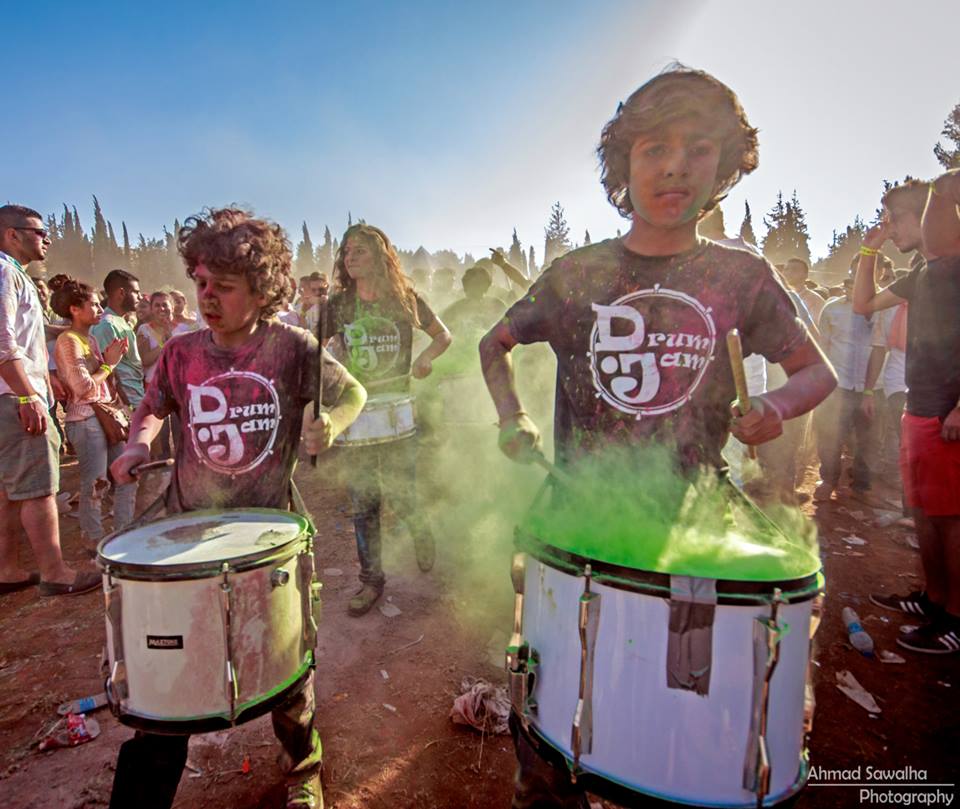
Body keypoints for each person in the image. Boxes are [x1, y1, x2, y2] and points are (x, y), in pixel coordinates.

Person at [480, 66, 836, 807]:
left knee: (679, 729)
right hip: (573, 519)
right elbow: (494, 344)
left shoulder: (740, 275)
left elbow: (817, 371)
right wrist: (512, 416)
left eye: (698, 149)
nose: (676, 166)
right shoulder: (578, 273)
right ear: (624, 164)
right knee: (549, 728)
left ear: (725, 164)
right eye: (654, 149)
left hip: (695, 524)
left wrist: (775, 408)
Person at [108, 207, 366, 808]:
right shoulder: (181, 353)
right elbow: (151, 407)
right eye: (200, 282)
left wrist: (331, 422)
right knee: (167, 675)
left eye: (222, 286)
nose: (206, 297)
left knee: (289, 666)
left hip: (269, 534)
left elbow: (351, 392)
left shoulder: (291, 347)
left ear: (261, 289)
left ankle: (302, 769)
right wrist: (138, 443)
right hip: (189, 533)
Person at [855, 179, 960, 655]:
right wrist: (868, 251)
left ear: (927, 216)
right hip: (918, 408)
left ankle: (955, 618)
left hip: (946, 415)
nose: (889, 226)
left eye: (895, 217)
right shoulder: (923, 271)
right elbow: (863, 304)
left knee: (951, 519)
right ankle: (933, 599)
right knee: (923, 513)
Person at [327, 224, 452, 616]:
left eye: (360, 250)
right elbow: (314, 350)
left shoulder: (404, 299)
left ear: (380, 256)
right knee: (364, 501)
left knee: (403, 493)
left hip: (397, 410)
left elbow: (443, 336)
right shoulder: (338, 306)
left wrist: (425, 358)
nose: (350, 258)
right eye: (347, 252)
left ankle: (420, 528)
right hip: (356, 411)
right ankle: (371, 580)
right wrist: (331, 374)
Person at [0, 205, 100, 596]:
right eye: (40, 232)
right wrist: (28, 394)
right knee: (39, 487)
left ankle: (7, 569)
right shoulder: (6, 272)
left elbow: (29, 329)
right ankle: (56, 572)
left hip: (10, 395)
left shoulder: (13, 274)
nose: (47, 239)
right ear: (12, 234)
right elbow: (4, 341)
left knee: (8, 491)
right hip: (15, 396)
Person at [50, 276, 136, 554]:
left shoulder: (88, 339)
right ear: (75, 309)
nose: (100, 309)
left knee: (126, 474)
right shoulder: (69, 341)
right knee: (96, 483)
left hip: (104, 418)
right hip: (85, 420)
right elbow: (84, 388)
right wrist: (109, 365)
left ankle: (124, 531)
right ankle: (93, 538)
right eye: (94, 305)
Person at [812, 276, 874, 502]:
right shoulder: (832, 309)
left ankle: (862, 486)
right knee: (830, 435)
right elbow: (823, 347)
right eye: (851, 280)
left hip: (872, 386)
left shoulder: (883, 308)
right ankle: (828, 480)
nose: (854, 286)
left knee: (867, 440)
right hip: (838, 384)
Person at [91, 269, 146, 409]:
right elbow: (108, 371)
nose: (140, 297)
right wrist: (127, 406)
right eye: (136, 292)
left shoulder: (119, 321)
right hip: (127, 403)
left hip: (136, 396)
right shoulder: (106, 325)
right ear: (121, 293)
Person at [782, 257, 825, 323]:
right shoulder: (776, 296)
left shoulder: (816, 301)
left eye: (794, 270)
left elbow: (815, 326)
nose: (788, 272)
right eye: (786, 269)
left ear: (806, 275)